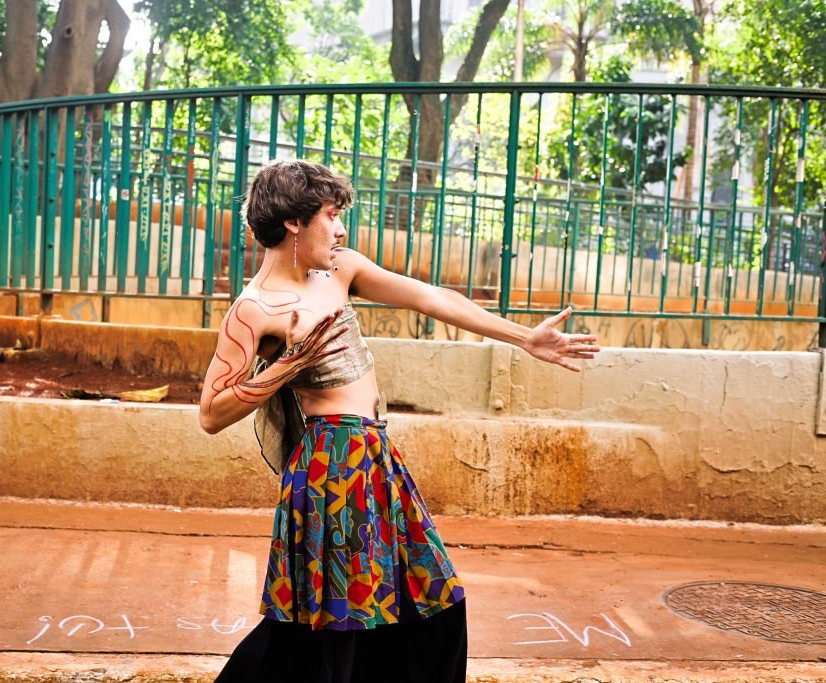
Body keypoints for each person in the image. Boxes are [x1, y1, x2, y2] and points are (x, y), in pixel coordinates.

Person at [199, 159, 599, 682]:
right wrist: (286, 367)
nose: (341, 228)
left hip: (376, 457)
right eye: (330, 215)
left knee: (426, 598)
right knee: (339, 619)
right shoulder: (254, 308)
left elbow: (433, 297)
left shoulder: (339, 269)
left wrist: (524, 338)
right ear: (294, 221)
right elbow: (211, 412)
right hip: (331, 468)